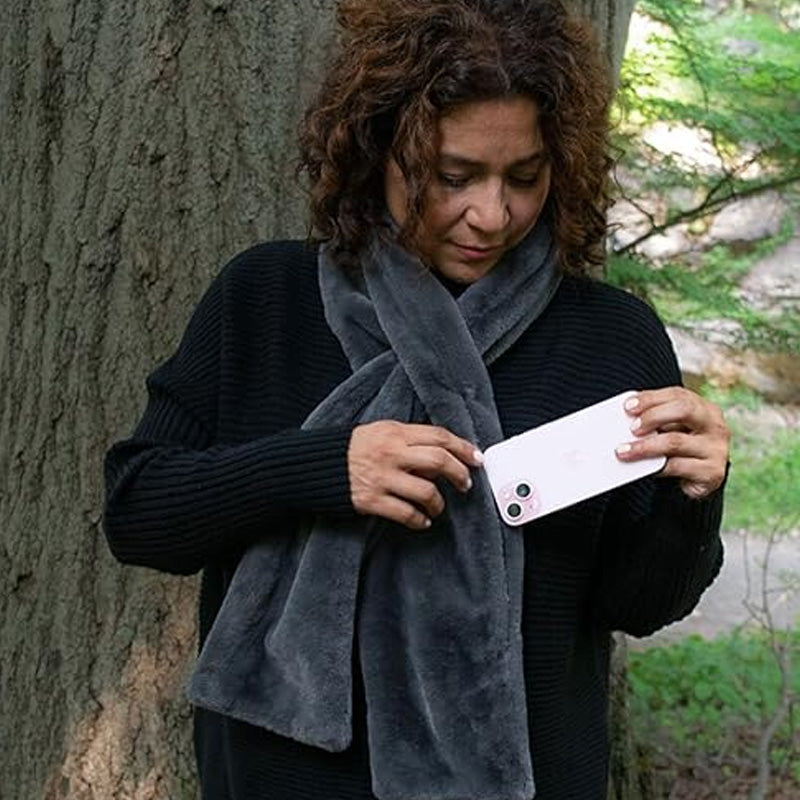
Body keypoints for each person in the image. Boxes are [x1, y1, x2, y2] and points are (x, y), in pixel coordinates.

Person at [103, 1, 729, 798]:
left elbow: (637, 605)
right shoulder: (265, 298)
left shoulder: (609, 337)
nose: (491, 215)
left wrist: (691, 500)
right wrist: (324, 469)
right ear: (378, 151)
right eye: (453, 177)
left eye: (525, 177)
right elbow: (139, 515)